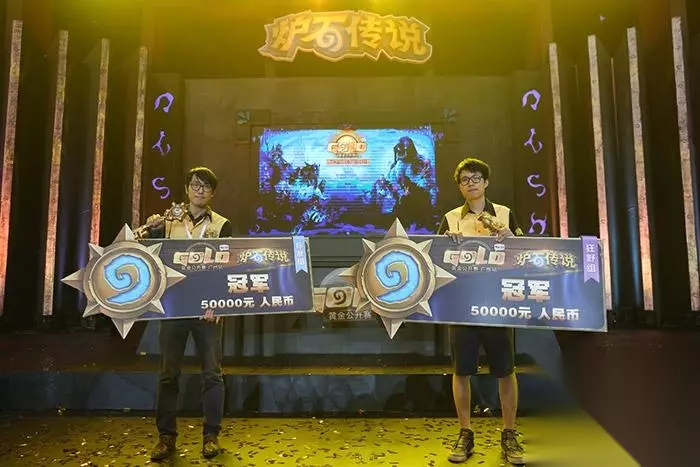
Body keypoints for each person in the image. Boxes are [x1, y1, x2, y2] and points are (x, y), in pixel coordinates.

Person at [140, 167, 234, 461]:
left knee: (212, 374)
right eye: (195, 185)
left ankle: (211, 436)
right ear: (186, 189)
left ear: (213, 193)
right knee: (168, 374)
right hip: (174, 307)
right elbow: (145, 253)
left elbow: (227, 268)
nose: (200, 190)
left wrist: (218, 304)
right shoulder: (168, 221)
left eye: (206, 186)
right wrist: (151, 227)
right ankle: (166, 437)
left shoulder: (222, 224)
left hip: (207, 309)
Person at [438, 158, 525, 465]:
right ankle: (465, 433)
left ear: (486, 182)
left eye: (476, 178)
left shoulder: (504, 214)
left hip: (498, 303)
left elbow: (525, 256)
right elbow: (436, 261)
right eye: (465, 180)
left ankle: (509, 434)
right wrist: (445, 244)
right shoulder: (450, 219)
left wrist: (511, 238)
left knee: (505, 370)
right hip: (462, 306)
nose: (471, 183)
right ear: (459, 187)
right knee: (461, 371)